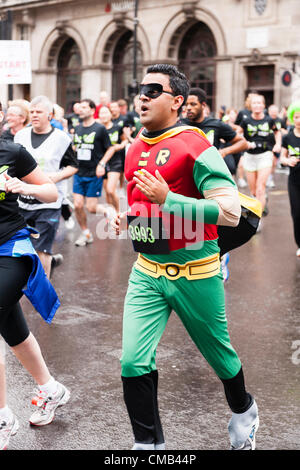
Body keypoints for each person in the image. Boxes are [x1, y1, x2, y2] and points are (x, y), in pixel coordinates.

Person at [112, 64, 259, 451]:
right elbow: (142, 205)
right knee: (132, 360)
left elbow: (228, 211)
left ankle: (244, 410)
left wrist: (170, 199)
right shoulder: (134, 145)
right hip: (146, 272)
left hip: (195, 272)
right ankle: (148, 445)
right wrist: (126, 217)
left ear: (177, 101)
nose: (141, 96)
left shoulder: (197, 146)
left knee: (221, 358)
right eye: (139, 89)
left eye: (152, 90)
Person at [0, 100, 70, 450]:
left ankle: (2, 418)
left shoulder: (12, 152)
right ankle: (50, 389)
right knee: (11, 328)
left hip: (10, 250)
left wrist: (21, 186)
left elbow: (50, 191)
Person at [183, 88, 248, 282]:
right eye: (186, 104)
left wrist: (225, 152)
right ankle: (193, 263)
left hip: (211, 181)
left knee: (213, 222)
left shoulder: (215, 125)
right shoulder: (180, 126)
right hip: (190, 180)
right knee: (192, 221)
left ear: (204, 105)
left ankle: (220, 257)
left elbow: (242, 143)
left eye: (193, 104)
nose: (189, 108)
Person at [14, 95, 78, 278]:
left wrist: (55, 177)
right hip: (22, 202)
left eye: (39, 112)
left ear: (49, 115)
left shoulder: (62, 139)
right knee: (23, 248)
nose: (34, 115)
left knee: (43, 249)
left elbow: (74, 166)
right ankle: (50, 263)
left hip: (48, 203)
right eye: (32, 112)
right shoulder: (20, 136)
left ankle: (43, 294)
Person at [72, 99, 115, 246]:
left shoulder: (100, 129)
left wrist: (102, 164)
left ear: (92, 110)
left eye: (85, 107)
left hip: (93, 173)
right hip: (79, 172)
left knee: (91, 208)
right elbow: (75, 148)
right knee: (77, 205)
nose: (81, 110)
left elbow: (110, 148)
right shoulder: (77, 128)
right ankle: (86, 234)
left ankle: (108, 211)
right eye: (80, 107)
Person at [239, 94, 281, 222]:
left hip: (265, 155)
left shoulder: (269, 120)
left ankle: (257, 219)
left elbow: (277, 132)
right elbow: (237, 135)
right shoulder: (245, 121)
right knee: (253, 191)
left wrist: (278, 144)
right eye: (254, 103)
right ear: (250, 106)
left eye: (259, 103)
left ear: (264, 105)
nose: (257, 105)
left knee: (260, 188)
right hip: (250, 156)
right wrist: (245, 143)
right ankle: (261, 201)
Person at [98, 106, 128, 214]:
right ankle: (112, 213)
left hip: (116, 160)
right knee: (107, 193)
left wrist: (119, 146)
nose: (103, 115)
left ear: (110, 115)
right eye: (101, 113)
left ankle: (119, 212)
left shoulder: (117, 127)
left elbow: (125, 140)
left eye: (106, 113)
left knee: (111, 189)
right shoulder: (98, 129)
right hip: (103, 162)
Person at [280, 101, 300, 257]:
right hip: (294, 180)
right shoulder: (288, 137)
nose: (299, 119)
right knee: (297, 213)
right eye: (297, 116)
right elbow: (282, 158)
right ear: (293, 118)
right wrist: (288, 161)